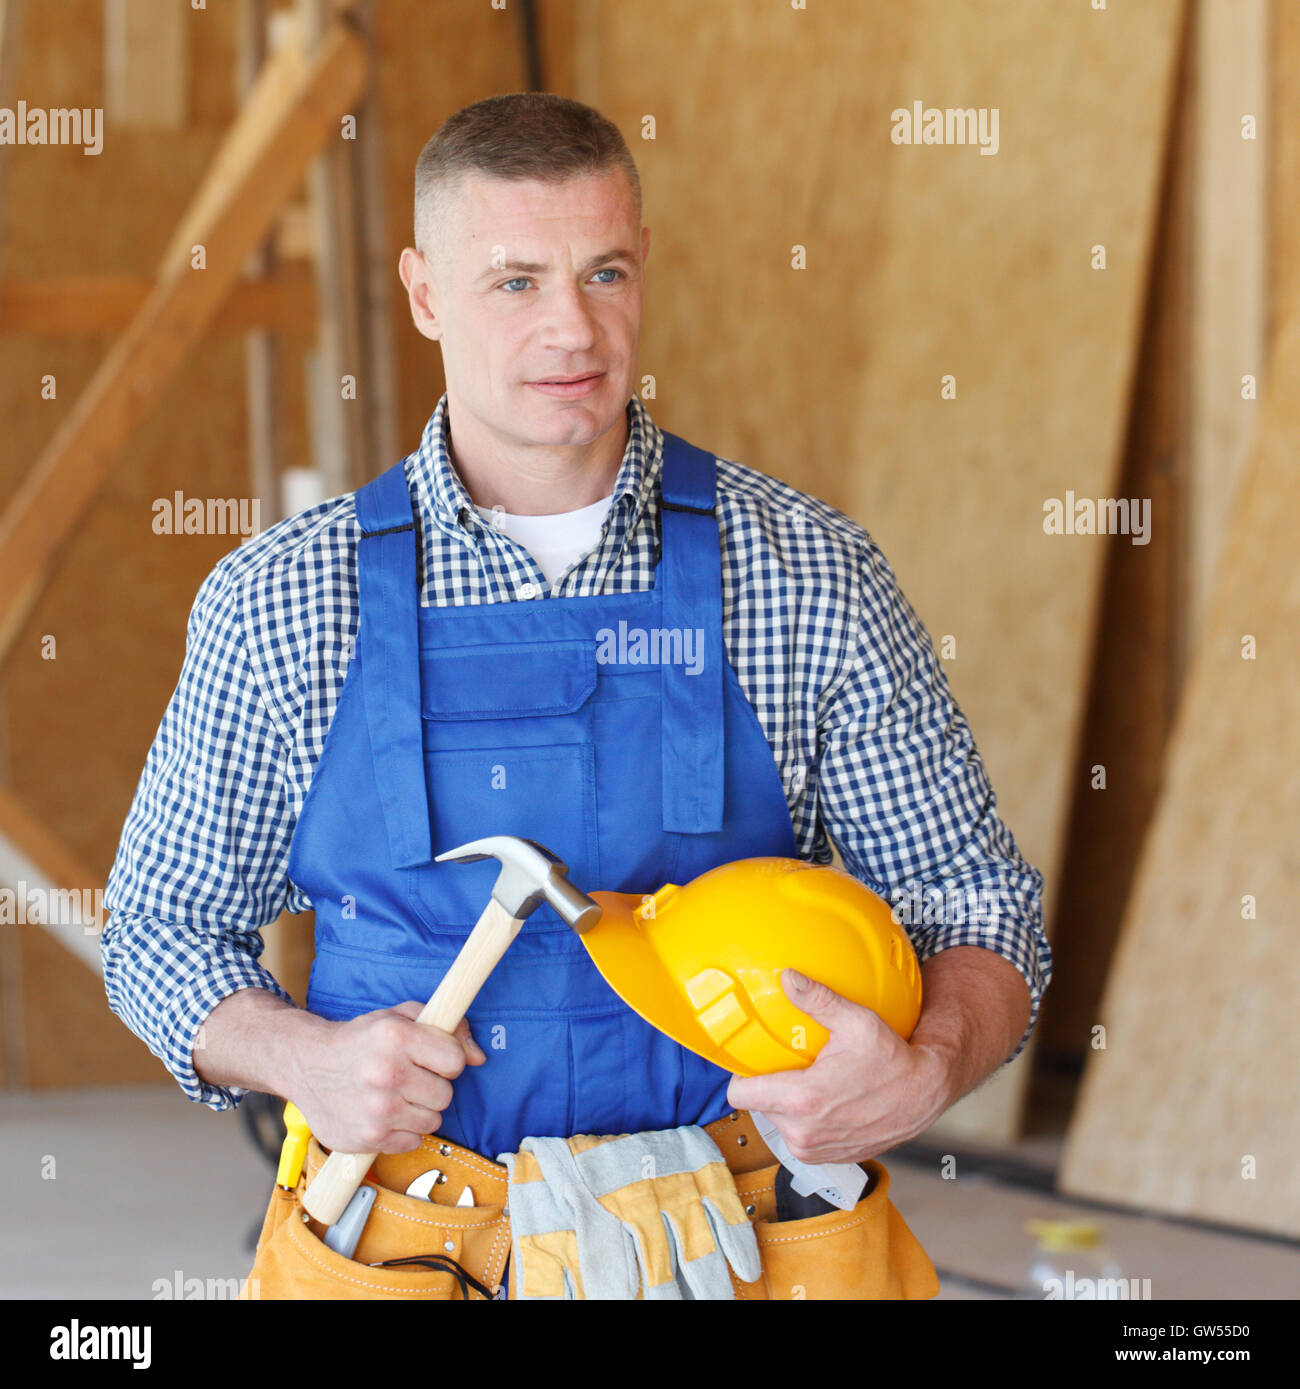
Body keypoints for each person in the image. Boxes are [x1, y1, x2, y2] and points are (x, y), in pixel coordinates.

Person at [103, 92, 1049, 1190]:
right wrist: (303, 1057)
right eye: (515, 282)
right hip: (410, 1244)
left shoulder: (807, 574)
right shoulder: (284, 601)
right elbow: (160, 930)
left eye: (603, 272)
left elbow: (970, 899)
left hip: (732, 1233)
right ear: (423, 294)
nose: (573, 330)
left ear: (643, 263)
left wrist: (927, 1069)